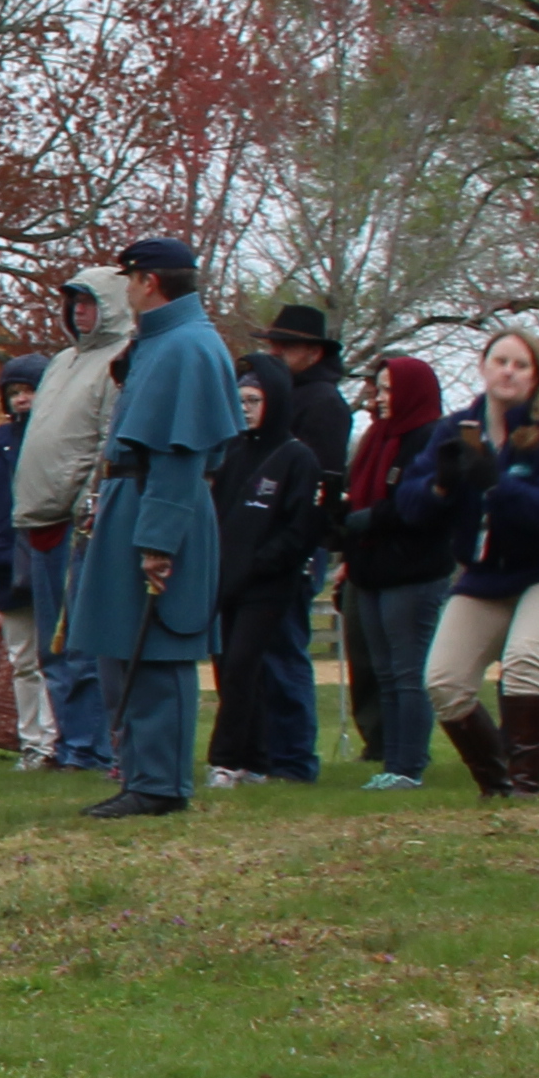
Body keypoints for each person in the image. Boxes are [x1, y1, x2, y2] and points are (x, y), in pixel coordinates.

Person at [64, 237, 241, 818]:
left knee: (156, 648)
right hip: (131, 501)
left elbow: (181, 454)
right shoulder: (161, 342)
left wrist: (157, 543)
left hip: (160, 507)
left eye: (129, 279)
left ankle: (161, 784)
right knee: (121, 645)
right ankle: (140, 774)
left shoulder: (188, 347)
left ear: (149, 282)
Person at [420, 327, 539, 800]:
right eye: (500, 361)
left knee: (525, 657)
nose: (509, 371)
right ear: (482, 367)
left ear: (538, 379)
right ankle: (496, 787)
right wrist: (438, 487)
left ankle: (525, 788)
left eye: (521, 365)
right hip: (487, 573)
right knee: (444, 679)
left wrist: (498, 486)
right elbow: (411, 508)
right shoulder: (457, 429)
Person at [12, 271, 129, 778]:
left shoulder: (120, 360)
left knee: (77, 643)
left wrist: (89, 501)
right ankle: (65, 741)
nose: (79, 311)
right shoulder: (61, 362)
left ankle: (89, 747)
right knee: (47, 647)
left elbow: (107, 438)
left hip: (76, 518)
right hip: (38, 513)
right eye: (74, 303)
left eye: (89, 302)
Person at [202, 356, 341, 787]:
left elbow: (301, 526)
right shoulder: (234, 452)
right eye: (239, 399)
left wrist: (262, 564)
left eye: (254, 399)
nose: (244, 408)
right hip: (227, 582)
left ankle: (224, 759)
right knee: (229, 667)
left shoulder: (296, 457)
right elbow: (219, 516)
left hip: (269, 583)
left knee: (246, 663)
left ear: (275, 400)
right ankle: (254, 759)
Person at [333, 355, 454, 789]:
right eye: (377, 389)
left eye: (387, 390)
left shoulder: (432, 439)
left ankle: (409, 766)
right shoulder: (375, 440)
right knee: (383, 672)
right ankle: (393, 760)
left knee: (408, 672)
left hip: (412, 571)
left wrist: (372, 518)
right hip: (371, 570)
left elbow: (424, 504)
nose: (379, 399)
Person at [248, 302, 353, 771]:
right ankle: (265, 750)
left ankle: (292, 757)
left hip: (296, 541)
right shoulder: (282, 397)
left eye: (285, 344)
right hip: (262, 537)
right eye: (273, 343)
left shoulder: (323, 404)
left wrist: (301, 542)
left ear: (313, 351)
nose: (275, 351)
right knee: (258, 650)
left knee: (284, 645)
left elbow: (321, 487)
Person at [0, 354, 52, 764]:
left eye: (30, 390)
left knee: (54, 655)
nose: (22, 399)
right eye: (15, 392)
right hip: (5, 561)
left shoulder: (57, 436)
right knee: (22, 658)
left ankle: (58, 740)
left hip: (48, 553)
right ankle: (31, 740)